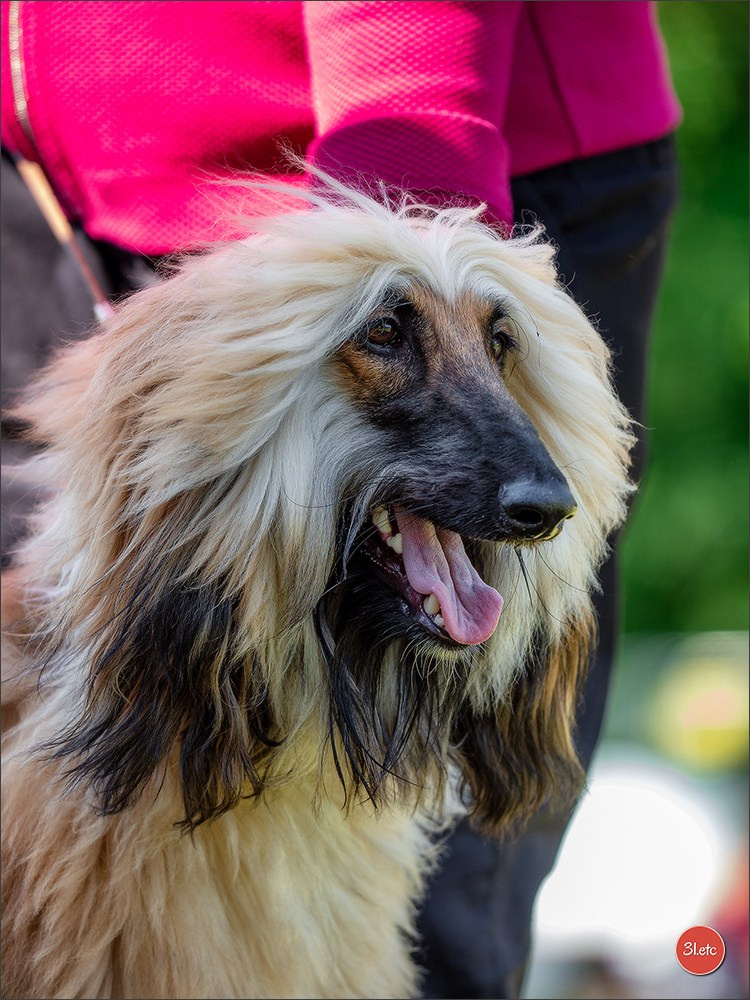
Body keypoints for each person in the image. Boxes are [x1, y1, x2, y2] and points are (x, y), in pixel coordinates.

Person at [0, 2, 680, 996]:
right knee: (105, 728)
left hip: (448, 143)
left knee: (436, 880)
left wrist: (412, 172)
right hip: (56, 182)